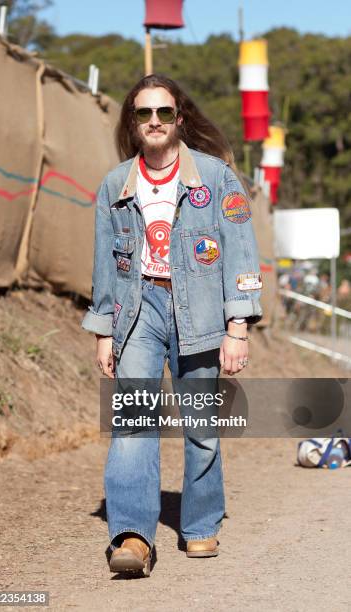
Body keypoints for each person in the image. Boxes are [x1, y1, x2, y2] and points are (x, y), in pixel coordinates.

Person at [81, 74, 263, 576]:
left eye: (164, 112)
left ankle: (201, 526)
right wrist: (103, 329)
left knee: (202, 427)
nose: (155, 122)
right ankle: (132, 535)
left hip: (201, 315)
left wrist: (238, 325)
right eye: (144, 113)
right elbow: (104, 265)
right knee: (133, 423)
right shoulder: (115, 185)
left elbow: (241, 252)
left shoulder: (215, 177)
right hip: (138, 312)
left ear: (179, 118)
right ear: (134, 122)